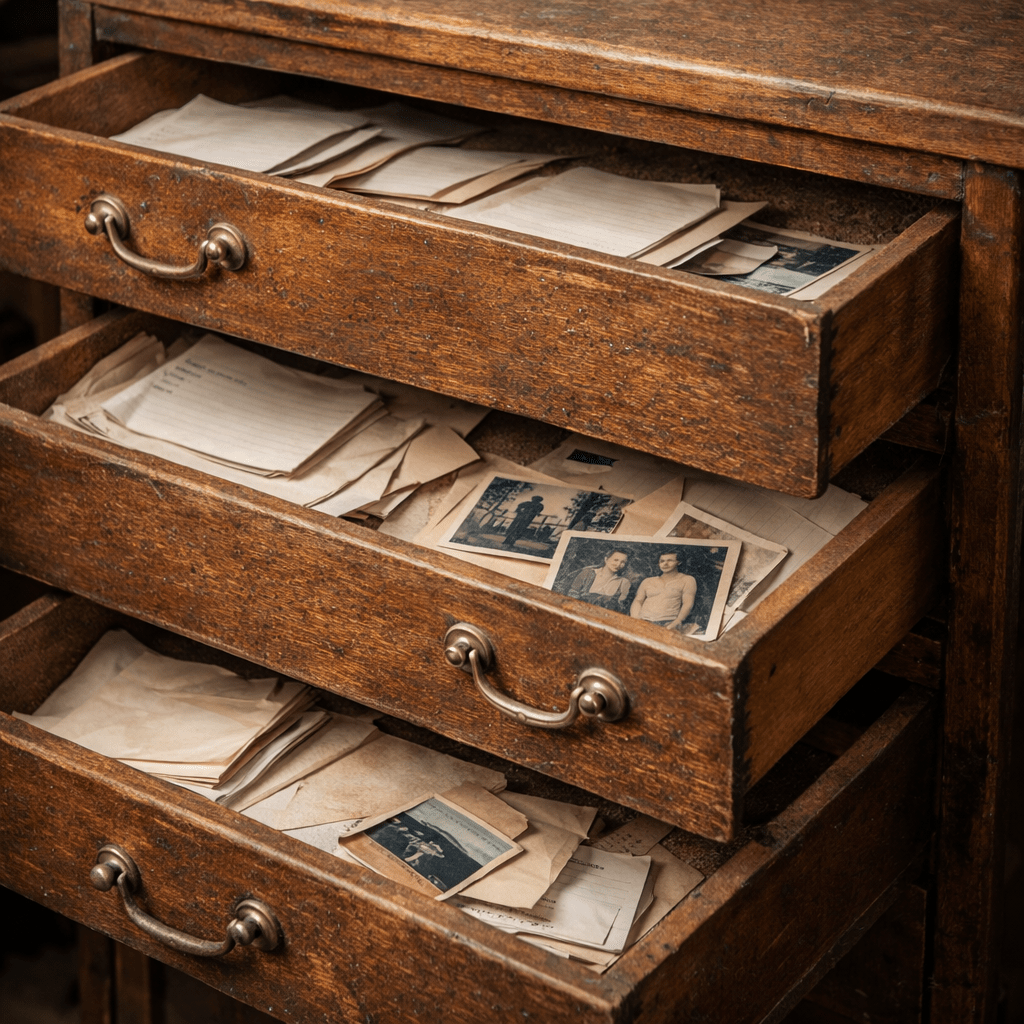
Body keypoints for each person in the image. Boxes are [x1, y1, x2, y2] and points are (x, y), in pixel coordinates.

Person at [630, 551, 697, 631]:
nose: (665, 564)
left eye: (670, 560)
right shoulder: (648, 581)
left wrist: (678, 621)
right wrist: (636, 620)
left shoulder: (687, 580)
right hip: (643, 621)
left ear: (679, 562)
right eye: (662, 561)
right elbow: (638, 600)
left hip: (667, 622)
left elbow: (688, 603)